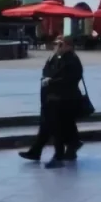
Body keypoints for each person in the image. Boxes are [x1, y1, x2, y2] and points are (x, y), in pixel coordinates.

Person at [19, 35, 84, 168]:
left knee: (57, 128)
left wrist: (51, 81)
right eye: (56, 44)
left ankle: (60, 155)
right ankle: (36, 151)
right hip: (52, 100)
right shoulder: (56, 57)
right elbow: (47, 71)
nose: (57, 46)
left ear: (68, 46)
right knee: (46, 127)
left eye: (60, 44)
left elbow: (68, 79)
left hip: (64, 100)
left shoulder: (72, 60)